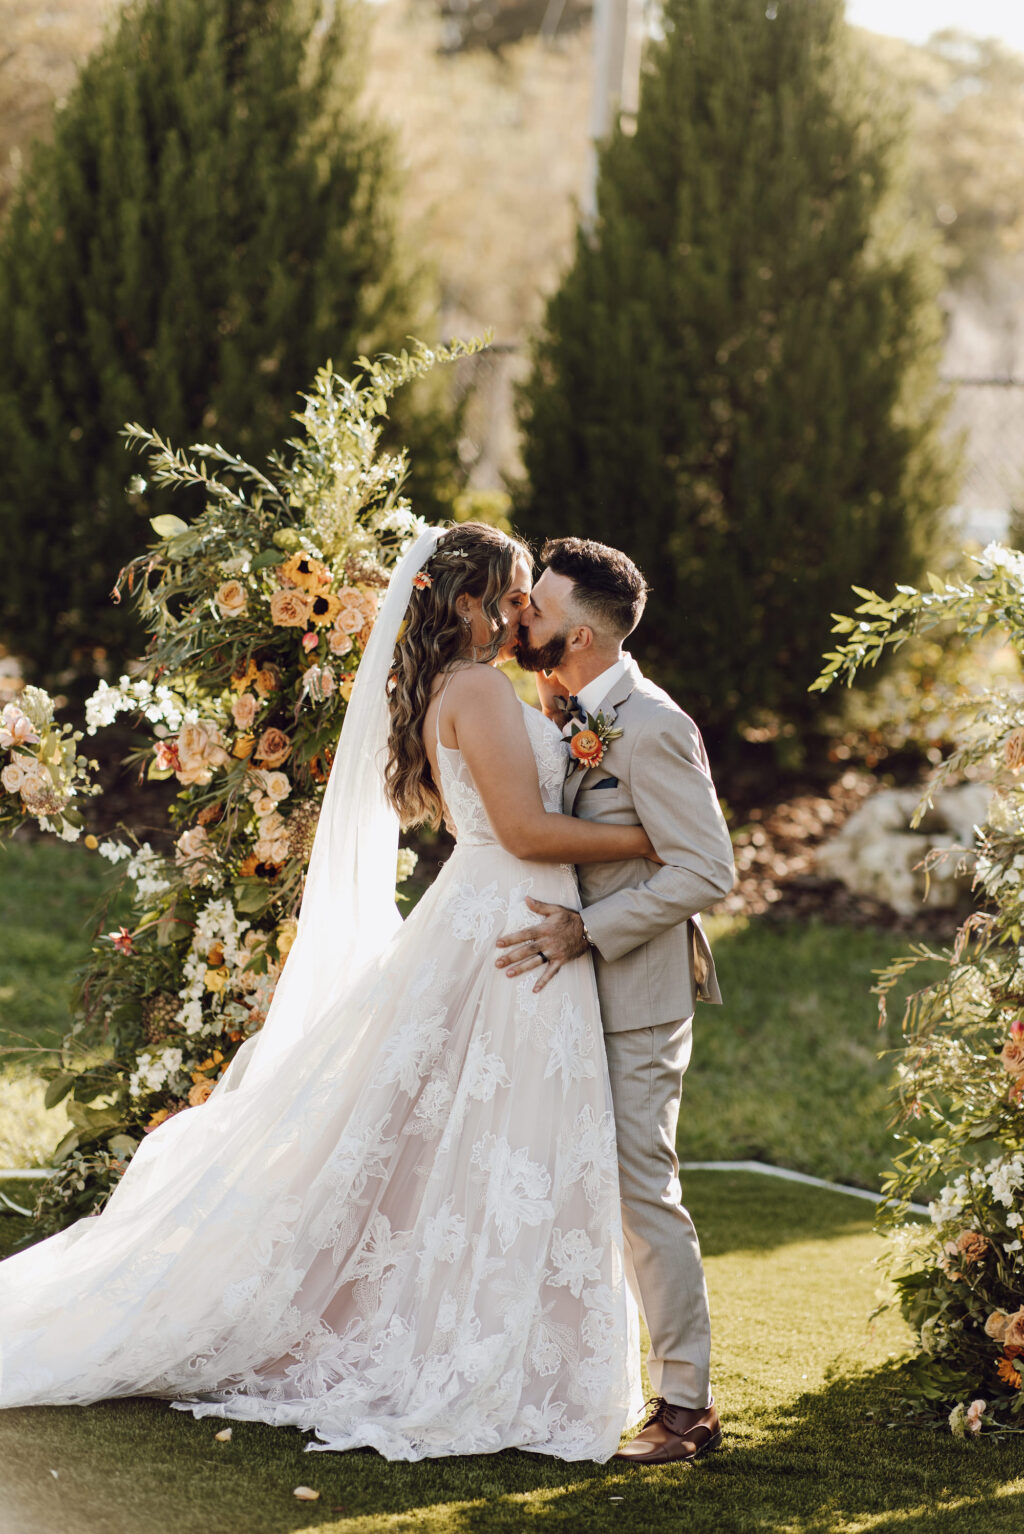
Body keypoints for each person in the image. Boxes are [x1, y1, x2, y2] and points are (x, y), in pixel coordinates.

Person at [0, 522, 659, 1463]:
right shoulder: (474, 688)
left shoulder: (470, 685)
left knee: (480, 1137)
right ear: (468, 607)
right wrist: (648, 840)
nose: (523, 615)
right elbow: (523, 828)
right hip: (512, 920)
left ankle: (497, 1335)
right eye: (512, 597)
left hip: (502, 919)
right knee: (506, 1132)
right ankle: (478, 1348)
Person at [498, 536, 735, 1465]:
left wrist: (588, 932)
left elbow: (706, 869)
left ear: (584, 637)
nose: (527, 622)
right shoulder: (569, 705)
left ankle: (688, 1410)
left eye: (542, 614)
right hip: (568, 991)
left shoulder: (655, 725)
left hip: (634, 992)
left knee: (643, 1194)